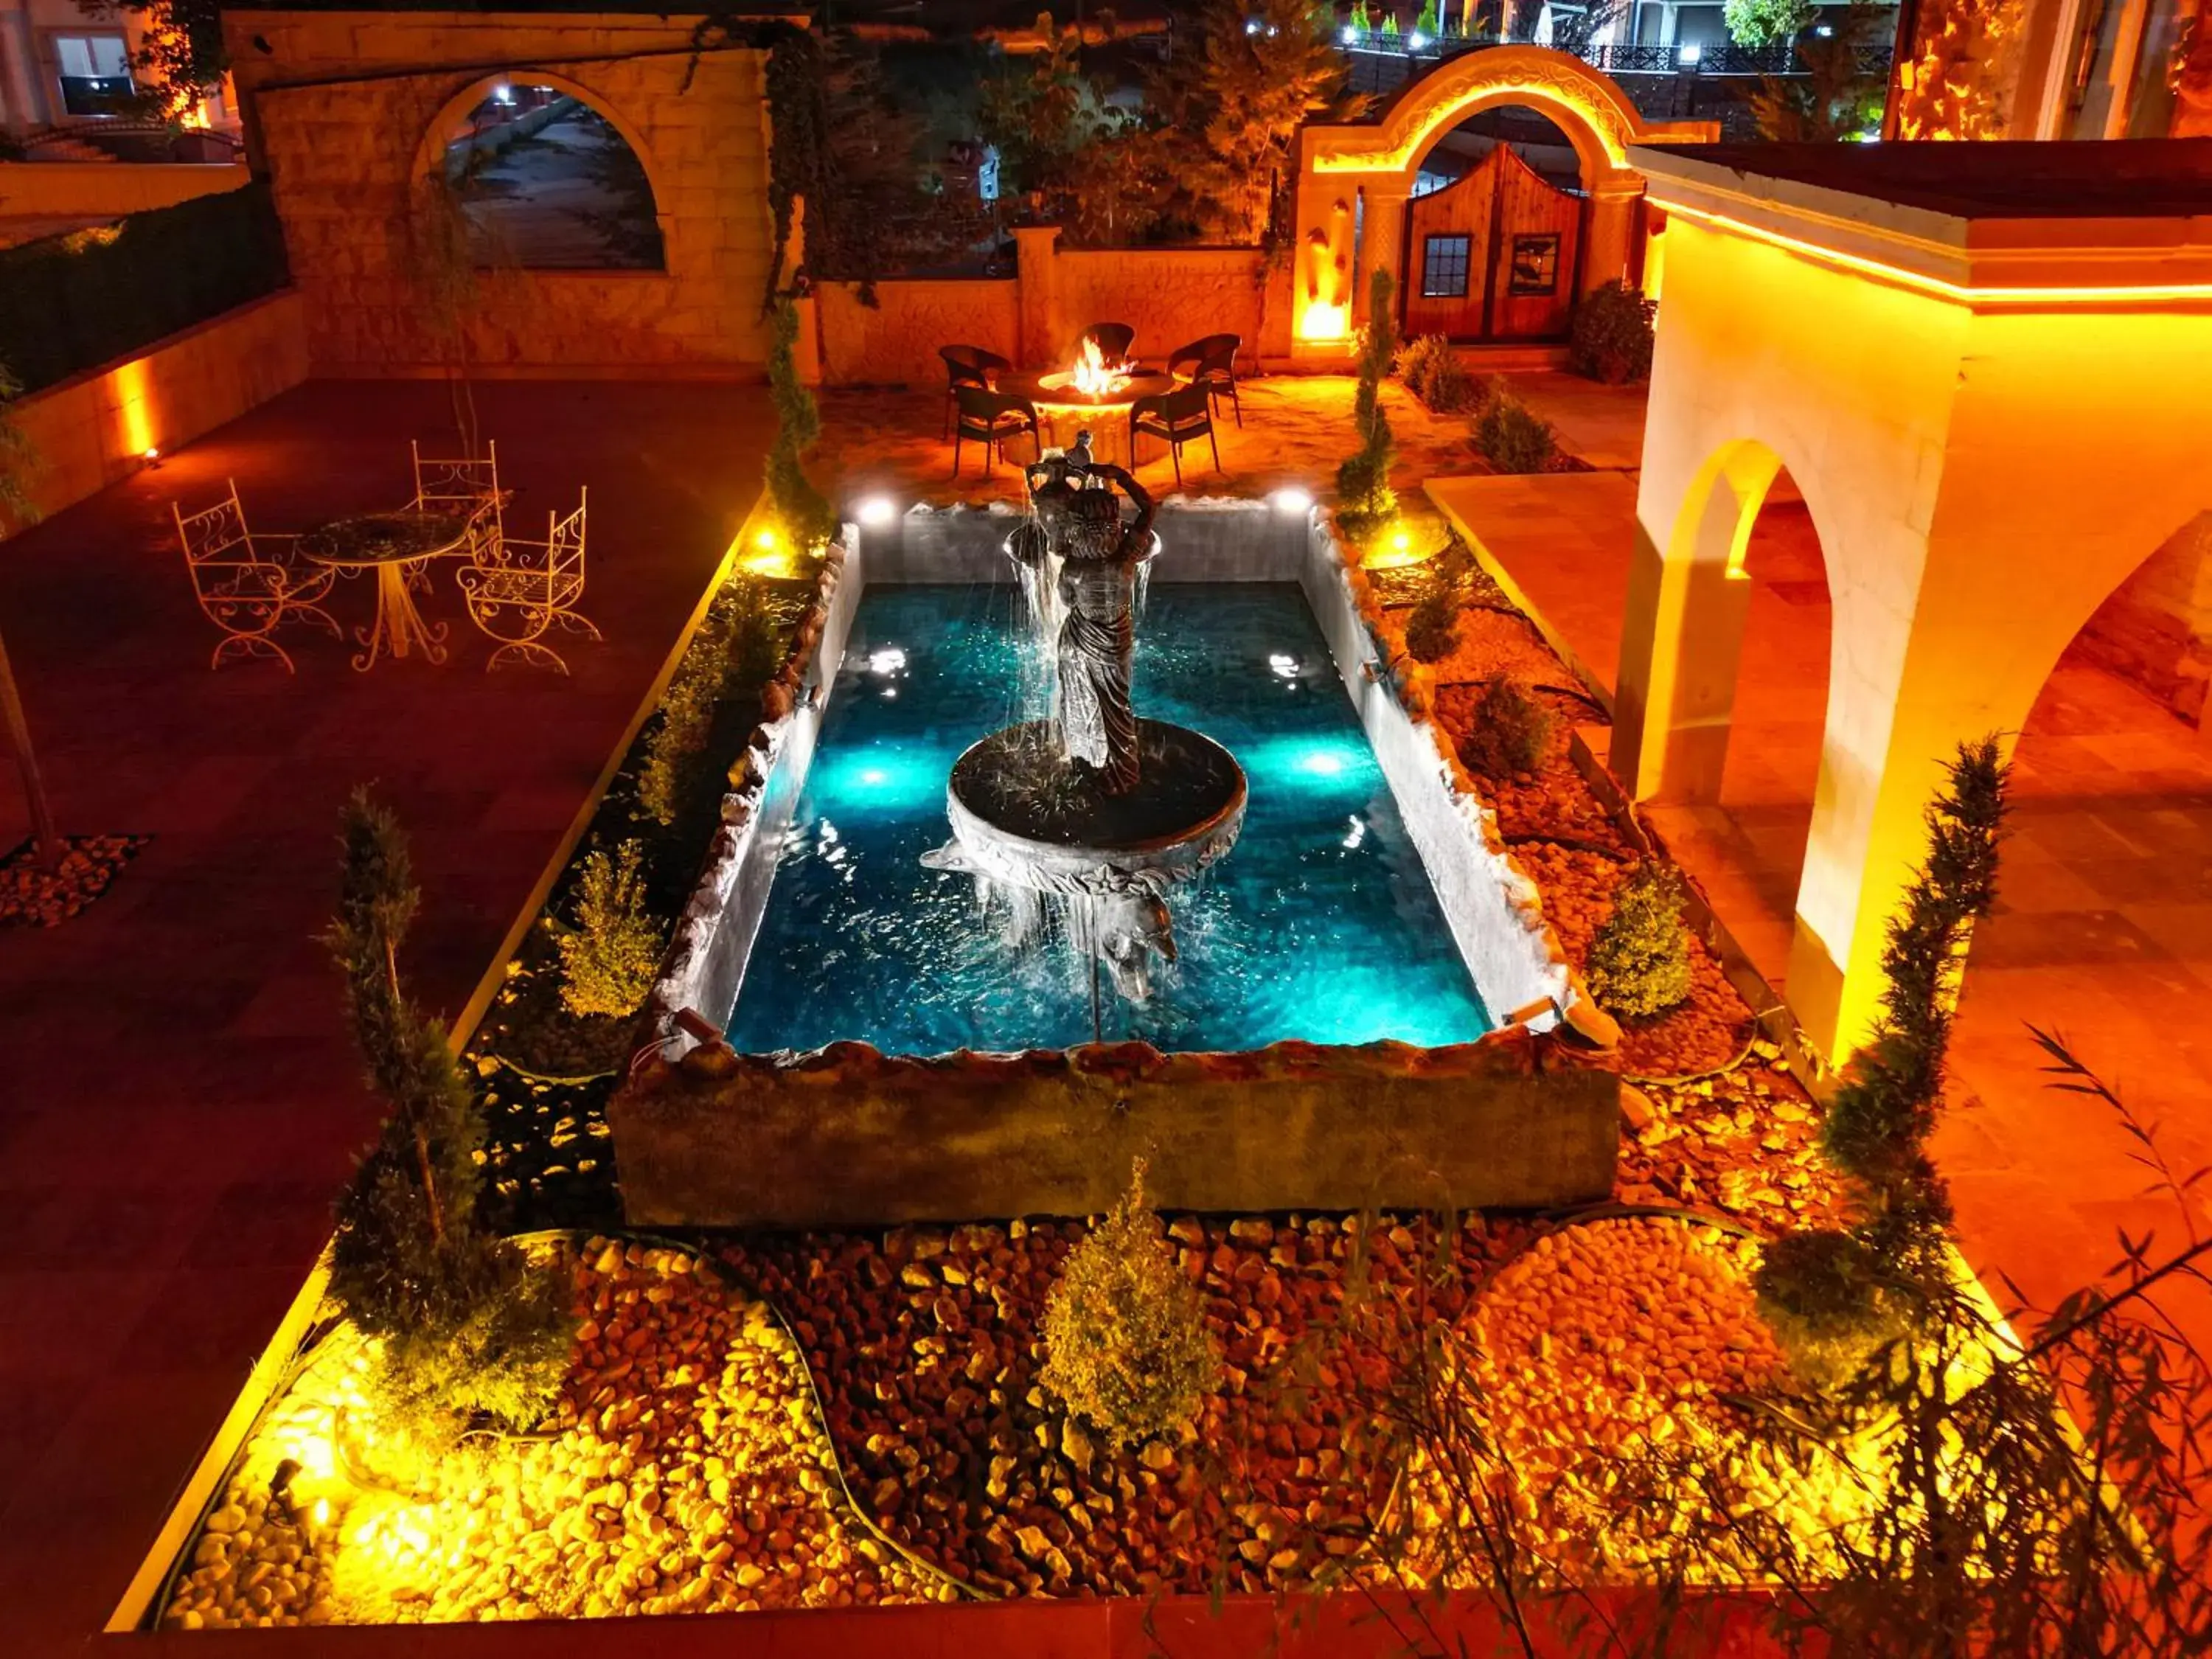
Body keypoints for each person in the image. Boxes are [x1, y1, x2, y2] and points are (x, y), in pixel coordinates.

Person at [1008, 435, 1158, 794]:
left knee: (1078, 690)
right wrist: (1119, 476)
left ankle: (1083, 748)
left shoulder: (1074, 567)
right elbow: (1149, 508)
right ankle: (1124, 770)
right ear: (1113, 528)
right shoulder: (1125, 559)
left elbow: (1065, 600)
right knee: (1117, 705)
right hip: (1116, 638)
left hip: (1080, 637)